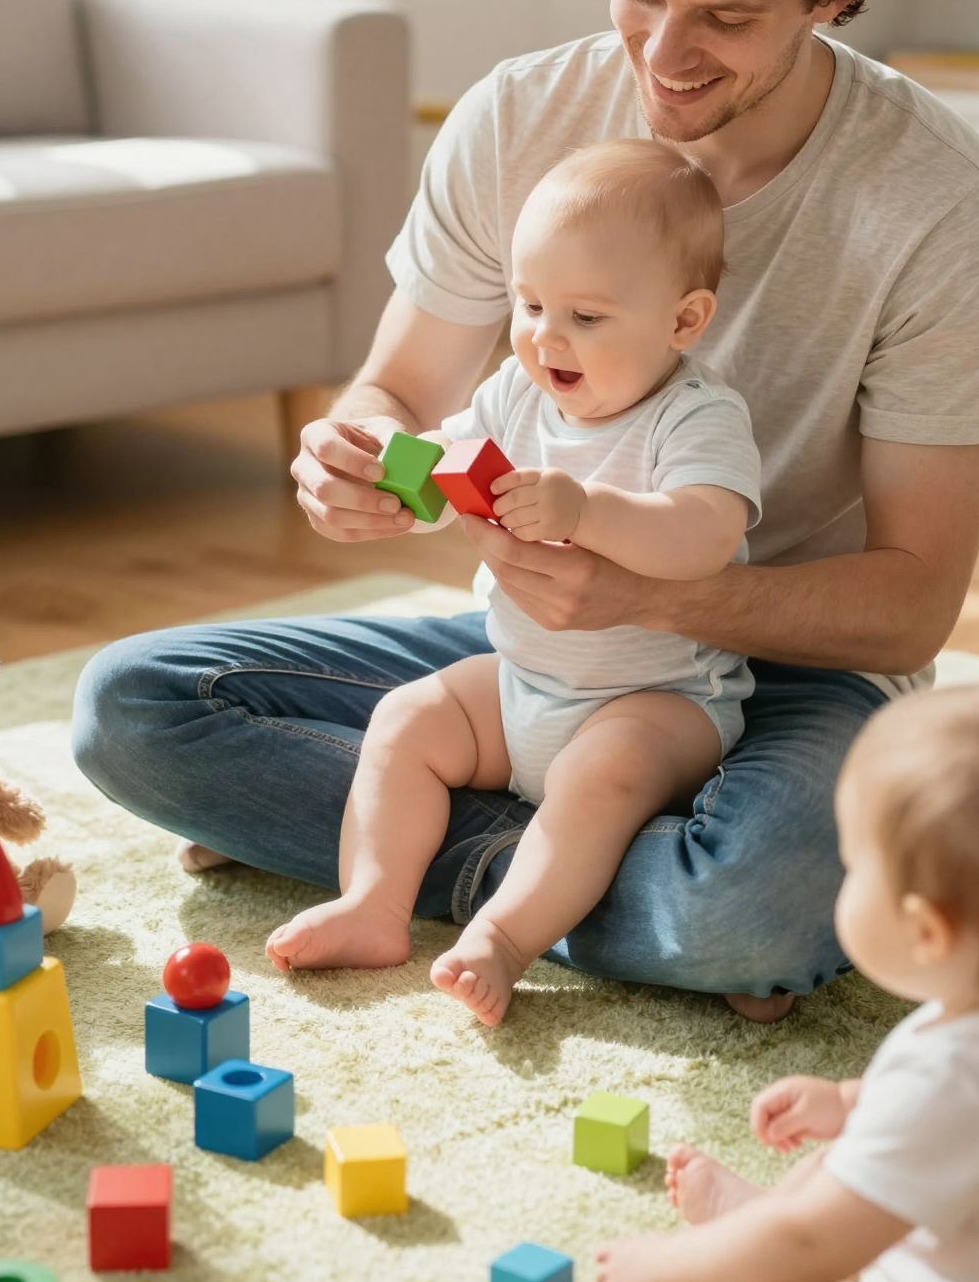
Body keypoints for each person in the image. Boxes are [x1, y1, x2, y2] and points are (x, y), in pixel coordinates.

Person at [71, 0, 979, 1023]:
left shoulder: (944, 212)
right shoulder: (520, 118)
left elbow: (910, 608)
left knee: (746, 897)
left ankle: (444, 861)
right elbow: (399, 391)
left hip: (785, 666)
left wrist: (646, 584)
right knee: (131, 708)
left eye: (726, 19)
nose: (665, 54)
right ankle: (560, 883)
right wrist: (355, 455)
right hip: (538, 650)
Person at [265, 139, 761, 1024]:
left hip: (659, 698)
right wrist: (388, 474)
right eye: (529, 303)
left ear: (684, 321)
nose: (545, 336)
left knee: (600, 779)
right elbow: (450, 467)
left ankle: (503, 935)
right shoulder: (514, 392)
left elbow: (704, 533)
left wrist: (588, 511)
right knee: (404, 718)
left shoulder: (697, 414)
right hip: (524, 680)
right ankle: (374, 904)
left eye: (587, 316)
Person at [595, 685, 979, 1282]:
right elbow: (965, 1132)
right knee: (844, 1160)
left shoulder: (964, 1075)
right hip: (969, 1263)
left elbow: (812, 1239)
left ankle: (735, 1262)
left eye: (853, 867)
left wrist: (667, 1266)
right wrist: (855, 1102)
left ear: (927, 930)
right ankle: (750, 1244)